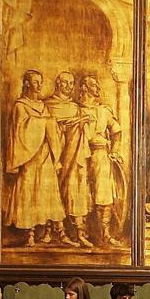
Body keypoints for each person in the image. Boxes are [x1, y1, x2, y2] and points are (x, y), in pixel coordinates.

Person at [3, 70, 67, 246]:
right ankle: (29, 234)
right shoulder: (20, 106)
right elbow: (20, 131)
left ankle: (52, 231)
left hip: (45, 155)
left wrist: (54, 125)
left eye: (41, 82)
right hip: (28, 156)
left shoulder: (42, 106)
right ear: (27, 84)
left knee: (46, 193)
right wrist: (46, 122)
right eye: (36, 82)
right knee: (29, 194)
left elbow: (51, 127)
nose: (39, 85)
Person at [76, 75, 126, 246]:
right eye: (93, 85)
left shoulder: (103, 110)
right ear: (84, 88)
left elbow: (117, 131)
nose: (97, 88)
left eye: (97, 85)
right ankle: (80, 233)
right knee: (80, 192)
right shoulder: (76, 109)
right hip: (79, 155)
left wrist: (115, 150)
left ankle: (105, 232)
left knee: (103, 194)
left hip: (100, 154)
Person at [46, 71, 94, 247]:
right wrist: (67, 125)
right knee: (54, 191)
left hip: (74, 157)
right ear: (58, 83)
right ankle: (56, 230)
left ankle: (79, 232)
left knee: (75, 190)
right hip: (55, 156)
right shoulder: (48, 105)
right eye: (65, 83)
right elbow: (48, 130)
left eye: (71, 83)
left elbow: (86, 133)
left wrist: (82, 123)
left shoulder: (75, 107)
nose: (69, 87)